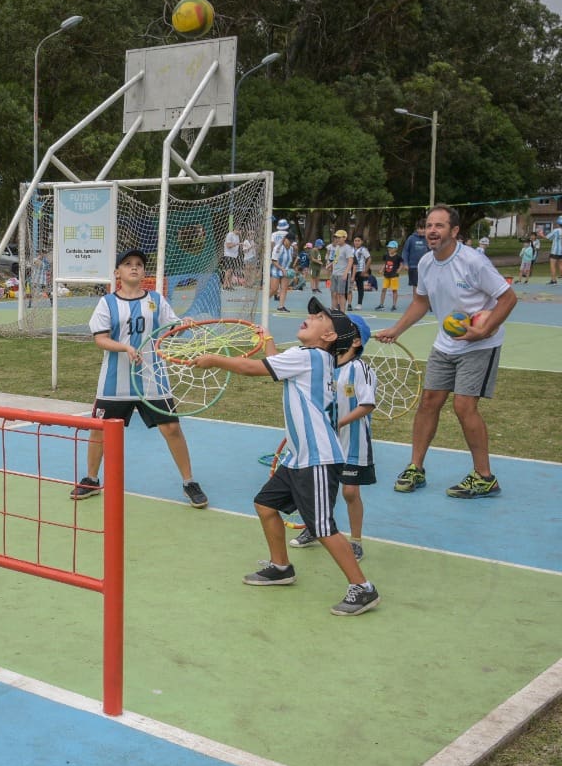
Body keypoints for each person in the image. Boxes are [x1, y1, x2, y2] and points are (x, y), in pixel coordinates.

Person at [191, 300, 379, 616]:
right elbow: (276, 363)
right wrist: (266, 339)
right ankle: (281, 567)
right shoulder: (314, 359)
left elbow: (254, 368)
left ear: (330, 337)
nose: (309, 317)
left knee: (322, 527)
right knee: (265, 504)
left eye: (319, 318)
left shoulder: (310, 357)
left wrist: (214, 360)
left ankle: (363, 588)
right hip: (299, 457)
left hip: (317, 457)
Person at [375, 205, 516, 499]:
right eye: (429, 225)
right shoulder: (426, 263)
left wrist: (484, 329)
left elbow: (507, 298)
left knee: (464, 406)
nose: (432, 231)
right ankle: (416, 468)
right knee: (429, 401)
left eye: (439, 226)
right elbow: (420, 302)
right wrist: (396, 330)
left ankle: (484, 477)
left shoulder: (473, 261)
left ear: (454, 231)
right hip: (446, 342)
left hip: (479, 343)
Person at [69, 248, 209, 509]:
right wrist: (125, 348)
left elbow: (172, 330)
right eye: (128, 264)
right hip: (114, 382)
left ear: (144, 272)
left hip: (153, 379)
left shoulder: (156, 300)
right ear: (117, 272)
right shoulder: (107, 303)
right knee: (99, 431)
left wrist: (184, 324)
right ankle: (91, 478)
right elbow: (100, 339)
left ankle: (189, 481)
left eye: (139, 264)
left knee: (172, 428)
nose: (134, 267)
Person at [293, 317, 374, 558]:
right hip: (326, 442)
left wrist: (338, 422)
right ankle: (314, 528)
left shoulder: (360, 369)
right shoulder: (326, 363)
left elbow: (367, 405)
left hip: (353, 441)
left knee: (350, 493)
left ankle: (356, 540)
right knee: (322, 490)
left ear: (356, 340)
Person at [329, 229, 354, 312]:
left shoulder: (347, 248)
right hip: (335, 273)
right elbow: (336, 259)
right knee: (333, 293)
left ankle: (342, 311)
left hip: (342, 274)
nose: (337, 239)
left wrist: (346, 273)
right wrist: (330, 264)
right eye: (336, 237)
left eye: (339, 237)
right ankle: (333, 309)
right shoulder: (337, 247)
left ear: (344, 238)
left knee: (341, 294)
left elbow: (350, 261)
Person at [403, 217, 431, 290]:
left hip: (426, 267)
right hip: (413, 267)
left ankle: (425, 301)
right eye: (419, 228)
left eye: (423, 229)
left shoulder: (429, 238)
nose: (421, 231)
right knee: (415, 286)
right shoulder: (411, 238)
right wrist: (405, 263)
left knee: (426, 285)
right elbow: (405, 251)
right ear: (417, 229)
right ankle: (416, 301)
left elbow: (432, 252)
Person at [377, 241, 404, 310]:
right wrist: (381, 270)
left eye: (391, 248)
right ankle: (381, 304)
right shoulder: (386, 255)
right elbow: (385, 264)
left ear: (396, 249)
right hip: (386, 275)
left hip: (394, 275)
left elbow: (401, 265)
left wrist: (399, 270)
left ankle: (394, 305)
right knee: (383, 289)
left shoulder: (398, 257)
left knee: (394, 290)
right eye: (389, 248)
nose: (390, 249)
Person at [271, 233, 293, 311]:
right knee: (274, 289)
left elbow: (289, 260)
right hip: (276, 270)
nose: (290, 242)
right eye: (289, 240)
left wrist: (289, 270)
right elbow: (274, 261)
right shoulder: (278, 248)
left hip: (285, 271)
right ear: (285, 239)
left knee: (284, 289)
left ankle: (281, 306)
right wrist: (282, 269)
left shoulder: (291, 249)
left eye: (291, 241)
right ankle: (266, 300)